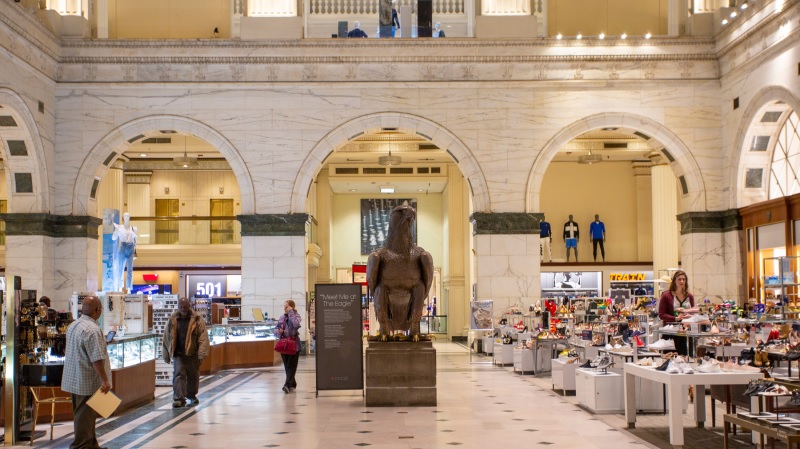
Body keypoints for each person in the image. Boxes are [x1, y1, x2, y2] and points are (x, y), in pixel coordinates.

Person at [61, 295, 111, 449]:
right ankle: (81, 445)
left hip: (74, 378)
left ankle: (91, 444)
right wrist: (105, 380)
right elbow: (96, 359)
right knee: (85, 415)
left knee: (85, 415)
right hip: (87, 380)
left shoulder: (74, 325)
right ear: (97, 310)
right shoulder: (93, 330)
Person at [162, 297, 210, 408]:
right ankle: (179, 398)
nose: (183, 309)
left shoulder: (197, 319)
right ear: (178, 306)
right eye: (181, 307)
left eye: (185, 306)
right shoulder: (172, 319)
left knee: (193, 375)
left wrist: (202, 353)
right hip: (178, 353)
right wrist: (166, 354)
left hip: (192, 353)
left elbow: (203, 337)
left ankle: (191, 395)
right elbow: (166, 338)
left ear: (189, 306)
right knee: (178, 375)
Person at [658, 270, 697, 355]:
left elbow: (693, 311)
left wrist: (689, 316)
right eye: (679, 279)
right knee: (670, 358)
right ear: (674, 280)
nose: (682, 281)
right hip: (671, 331)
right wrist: (675, 318)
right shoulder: (666, 296)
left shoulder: (689, 296)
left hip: (686, 330)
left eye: (684, 279)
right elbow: (661, 315)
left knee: (687, 356)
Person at [275, 300, 302, 393]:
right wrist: (279, 331)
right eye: (284, 307)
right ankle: (292, 383)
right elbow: (276, 329)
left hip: (294, 345)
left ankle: (287, 385)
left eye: (286, 307)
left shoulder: (296, 316)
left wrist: (291, 313)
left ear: (291, 307)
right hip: (284, 345)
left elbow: (296, 325)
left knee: (291, 365)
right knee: (287, 366)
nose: (284, 308)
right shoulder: (282, 317)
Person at [111, 212, 137, 293]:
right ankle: (120, 287)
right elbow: (113, 238)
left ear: (129, 218)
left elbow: (135, 241)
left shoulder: (133, 228)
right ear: (123, 217)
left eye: (127, 216)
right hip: (123, 246)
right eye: (125, 216)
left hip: (131, 247)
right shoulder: (119, 227)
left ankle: (129, 288)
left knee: (130, 270)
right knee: (120, 269)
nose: (126, 217)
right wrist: (116, 231)